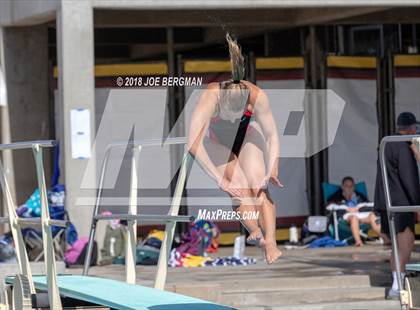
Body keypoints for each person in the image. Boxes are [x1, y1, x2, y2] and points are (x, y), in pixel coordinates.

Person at [187, 33, 283, 264]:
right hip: (217, 141)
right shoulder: (211, 95)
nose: (232, 119)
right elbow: (193, 142)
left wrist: (273, 168)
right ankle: (255, 231)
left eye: (237, 116)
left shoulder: (257, 96)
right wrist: (219, 179)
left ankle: (271, 241)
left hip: (248, 135)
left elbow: (272, 136)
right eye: (229, 115)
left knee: (259, 183)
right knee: (236, 185)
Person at [374, 111, 420, 298]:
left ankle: (396, 283)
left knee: (396, 247)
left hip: (387, 201)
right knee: (406, 244)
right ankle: (397, 285)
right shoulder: (403, 147)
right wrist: (417, 205)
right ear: (411, 128)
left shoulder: (387, 144)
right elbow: (409, 177)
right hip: (402, 202)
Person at [328, 176, 381, 247]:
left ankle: (385, 238)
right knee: (354, 218)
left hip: (360, 215)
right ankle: (358, 241)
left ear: (354, 187)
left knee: (372, 215)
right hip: (346, 217)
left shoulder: (359, 196)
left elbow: (369, 204)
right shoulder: (336, 196)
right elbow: (330, 206)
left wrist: (358, 208)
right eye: (347, 186)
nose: (349, 188)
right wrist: (347, 208)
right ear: (342, 187)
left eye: (351, 186)